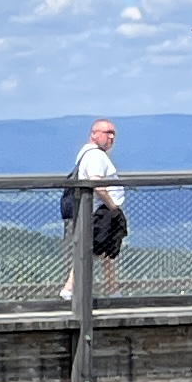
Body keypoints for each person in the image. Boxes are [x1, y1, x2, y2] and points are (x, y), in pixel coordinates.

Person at [62, 116, 127, 303]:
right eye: (107, 133)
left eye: (113, 133)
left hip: (98, 210)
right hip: (101, 211)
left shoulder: (87, 154)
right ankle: (69, 288)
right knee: (94, 251)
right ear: (94, 135)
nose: (111, 137)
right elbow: (97, 184)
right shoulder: (96, 156)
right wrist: (113, 207)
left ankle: (112, 289)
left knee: (106, 250)